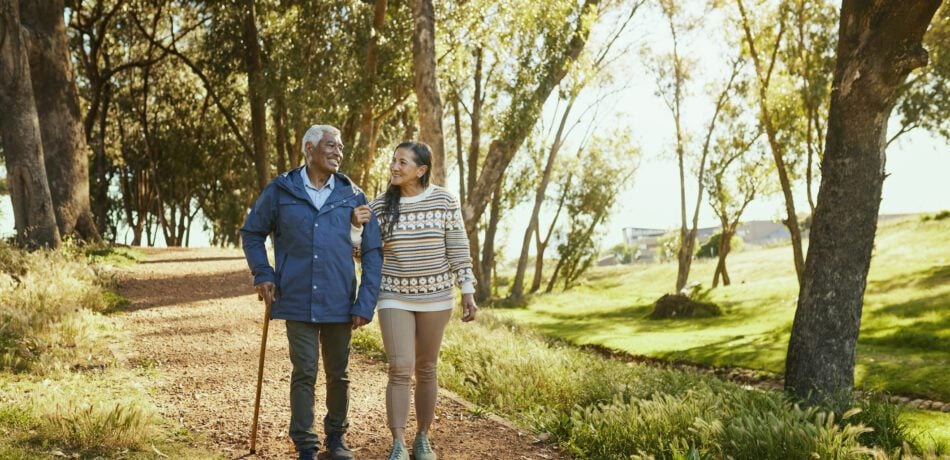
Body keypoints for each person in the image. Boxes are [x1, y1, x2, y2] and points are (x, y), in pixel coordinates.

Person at [241, 124, 383, 460]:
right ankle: (306, 445)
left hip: (339, 300)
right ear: (309, 148)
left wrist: (365, 301)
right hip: (296, 296)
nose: (339, 152)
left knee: (339, 374)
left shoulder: (353, 195)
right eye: (331, 145)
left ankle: (335, 440)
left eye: (341, 147)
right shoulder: (281, 190)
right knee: (304, 370)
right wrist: (263, 273)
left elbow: (373, 253)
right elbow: (252, 233)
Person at [365, 141, 478, 460]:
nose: (395, 167)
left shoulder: (444, 200)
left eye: (402, 162)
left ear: (421, 170)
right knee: (400, 367)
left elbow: (457, 246)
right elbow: (363, 252)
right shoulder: (379, 207)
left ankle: (422, 438)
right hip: (393, 295)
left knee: (426, 367)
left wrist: (467, 289)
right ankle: (398, 443)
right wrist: (356, 228)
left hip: (436, 296)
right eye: (393, 161)